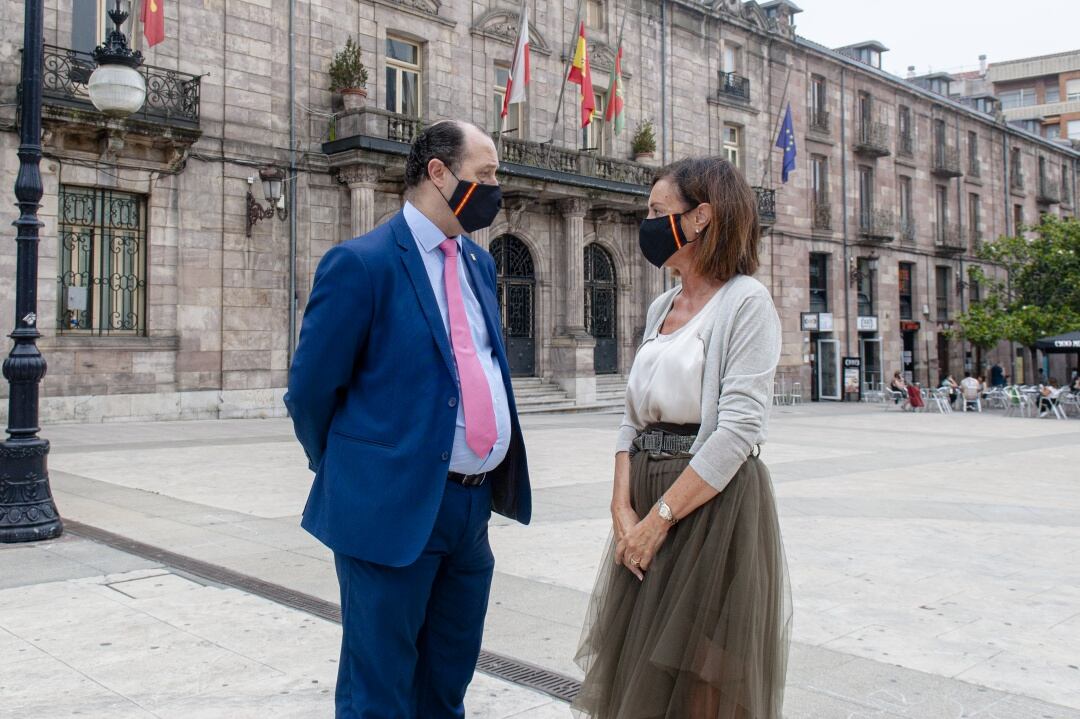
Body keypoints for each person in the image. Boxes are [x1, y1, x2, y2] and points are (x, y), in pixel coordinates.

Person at [285, 120, 531, 718]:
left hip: (471, 514)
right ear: (438, 173)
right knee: (380, 690)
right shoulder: (361, 263)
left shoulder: (477, 262)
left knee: (446, 683)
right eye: (487, 174)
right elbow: (310, 391)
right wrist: (356, 469)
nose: (497, 187)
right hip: (389, 508)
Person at [573, 157, 790, 718]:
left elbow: (739, 427)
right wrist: (621, 507)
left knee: (698, 672)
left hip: (708, 510)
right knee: (639, 666)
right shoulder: (660, 306)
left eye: (656, 211)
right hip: (648, 499)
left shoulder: (747, 303)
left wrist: (659, 519)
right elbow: (631, 417)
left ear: (700, 219)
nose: (646, 221)